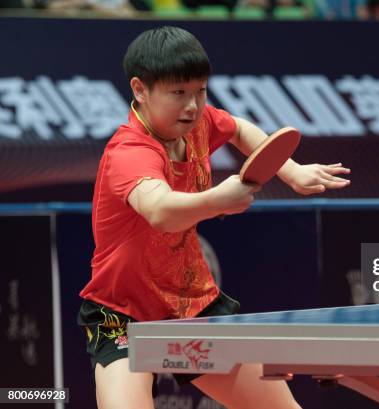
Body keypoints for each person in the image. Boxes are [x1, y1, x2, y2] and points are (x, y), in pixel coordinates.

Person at [77, 26, 350, 409]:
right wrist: (220, 199)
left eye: (200, 90)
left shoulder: (198, 122)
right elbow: (160, 211)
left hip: (193, 307)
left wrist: (291, 171)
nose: (192, 105)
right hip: (123, 315)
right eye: (178, 93)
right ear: (140, 90)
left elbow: (239, 128)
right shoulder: (129, 151)